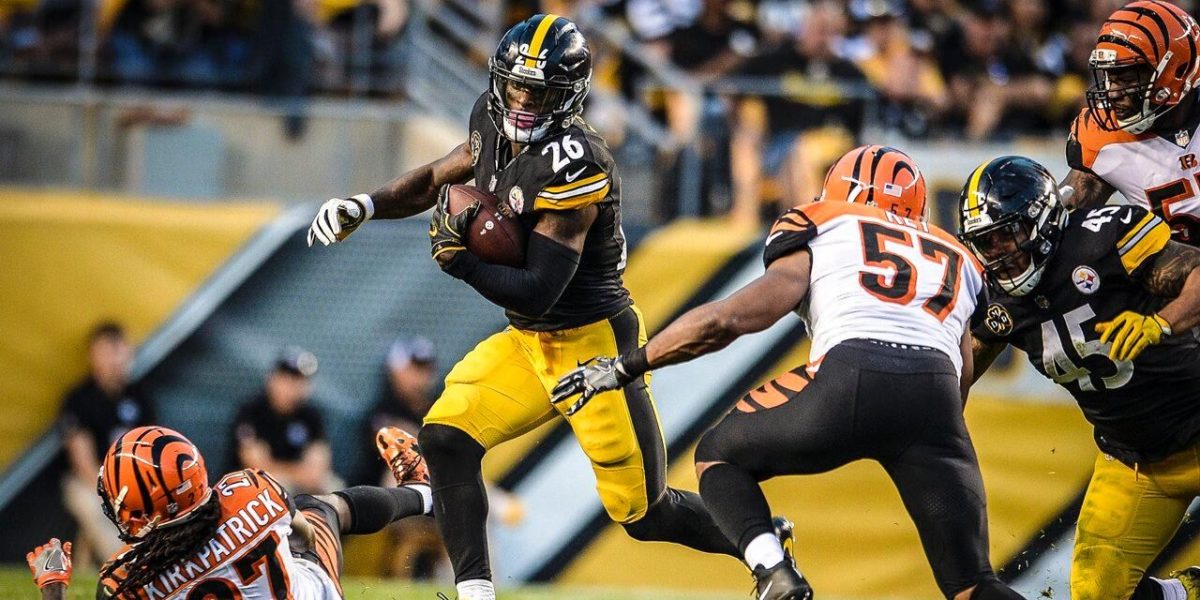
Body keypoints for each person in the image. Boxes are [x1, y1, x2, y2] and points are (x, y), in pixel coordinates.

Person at [305, 14, 748, 600]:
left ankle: (762, 541)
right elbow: (437, 177)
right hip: (529, 340)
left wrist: (460, 259)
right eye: (513, 86)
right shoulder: (491, 120)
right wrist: (365, 204)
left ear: (566, 96)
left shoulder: (577, 162)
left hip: (591, 345)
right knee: (444, 437)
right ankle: (476, 594)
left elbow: (542, 287)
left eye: (535, 92)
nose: (520, 101)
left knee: (645, 514)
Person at [553, 145, 1024, 600]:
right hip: (936, 403)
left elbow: (729, 320)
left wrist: (628, 365)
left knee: (719, 456)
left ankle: (775, 571)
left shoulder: (827, 223)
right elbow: (961, 372)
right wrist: (922, 438)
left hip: (850, 377)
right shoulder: (957, 256)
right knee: (973, 584)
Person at [960, 156, 1200, 600]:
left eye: (1006, 235)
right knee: (1097, 593)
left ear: (1044, 220)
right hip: (1134, 463)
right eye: (986, 243)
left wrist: (1161, 322)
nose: (1000, 254)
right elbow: (957, 376)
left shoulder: (1102, 239)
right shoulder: (997, 300)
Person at [25, 424, 431, 599]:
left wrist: (53, 586)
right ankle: (422, 493)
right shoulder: (249, 488)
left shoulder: (122, 581)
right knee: (321, 507)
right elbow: (305, 532)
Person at [1062, 1, 1200, 245]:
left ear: (1176, 71)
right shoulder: (1104, 136)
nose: (1113, 92)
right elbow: (1060, 223)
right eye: (1109, 77)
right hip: (1170, 277)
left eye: (1126, 78)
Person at [59, 322, 156, 567]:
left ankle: (160, 563)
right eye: (107, 351)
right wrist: (111, 493)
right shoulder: (79, 399)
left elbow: (151, 448)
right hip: (88, 481)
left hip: (131, 481)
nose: (115, 359)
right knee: (95, 507)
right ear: (93, 356)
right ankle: (127, 567)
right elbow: (82, 461)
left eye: (119, 350)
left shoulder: (139, 396)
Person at [231, 347, 336, 493]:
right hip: (254, 485)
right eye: (287, 379)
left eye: (300, 381)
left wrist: (299, 473)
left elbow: (318, 466)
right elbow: (257, 467)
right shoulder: (251, 411)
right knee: (278, 487)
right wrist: (299, 472)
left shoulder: (311, 415)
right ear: (272, 378)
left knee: (332, 486)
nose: (293, 386)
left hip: (299, 482)